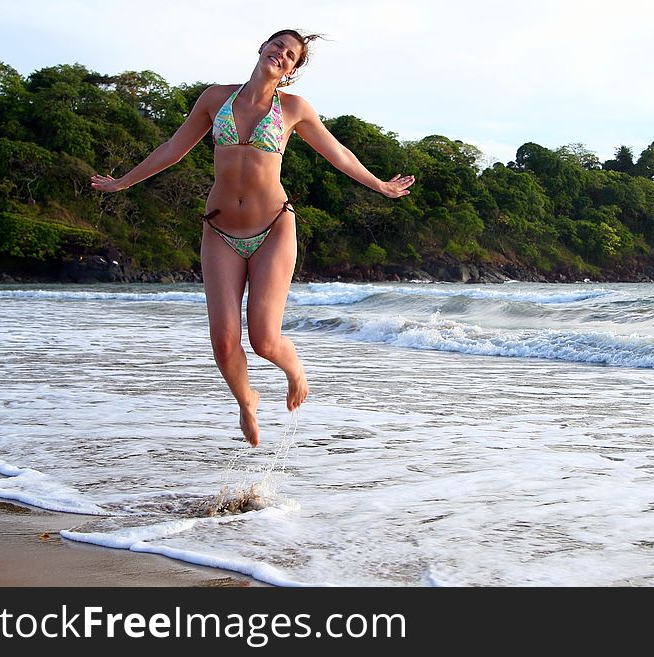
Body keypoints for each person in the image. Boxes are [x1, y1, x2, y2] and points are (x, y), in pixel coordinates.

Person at [91, 29, 415, 447]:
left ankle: (295, 370)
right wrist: (123, 183)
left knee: (263, 339)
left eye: (291, 55)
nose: (281, 55)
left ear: (292, 70)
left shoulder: (293, 109)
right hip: (220, 230)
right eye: (277, 46)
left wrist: (380, 185)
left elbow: (339, 155)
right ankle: (247, 401)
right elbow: (173, 147)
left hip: (273, 228)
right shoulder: (215, 99)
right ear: (262, 48)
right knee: (224, 343)